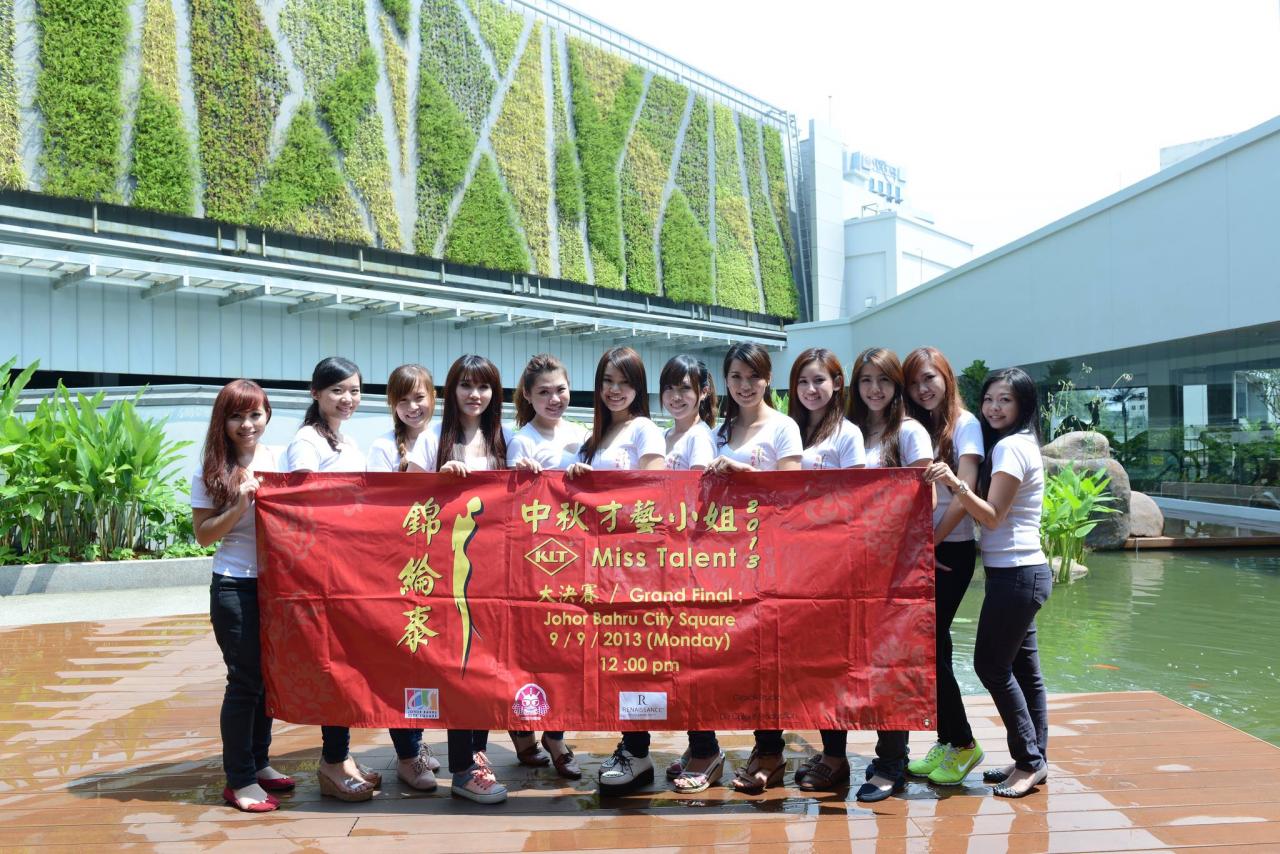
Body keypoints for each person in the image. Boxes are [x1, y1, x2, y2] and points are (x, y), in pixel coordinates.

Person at [924, 367, 1050, 798]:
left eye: (1006, 401)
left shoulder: (1013, 447)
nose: (995, 408)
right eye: (990, 399)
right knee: (1025, 671)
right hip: (1021, 572)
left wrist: (956, 483)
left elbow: (992, 516)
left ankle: (1029, 762)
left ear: (1023, 406)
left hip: (1016, 574)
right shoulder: (1019, 443)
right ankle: (1034, 759)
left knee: (991, 667)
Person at [407, 354, 511, 804]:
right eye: (466, 386)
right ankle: (463, 769)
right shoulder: (432, 440)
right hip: (446, 576)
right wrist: (435, 478)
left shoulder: (502, 439)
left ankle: (477, 753)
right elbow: (405, 500)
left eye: (483, 386)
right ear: (452, 391)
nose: (475, 395)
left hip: (496, 576)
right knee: (457, 669)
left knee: (486, 664)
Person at [564, 348, 666, 794]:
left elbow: (655, 492)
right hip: (599, 567)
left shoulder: (644, 429)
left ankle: (638, 753)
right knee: (616, 661)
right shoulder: (598, 436)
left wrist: (602, 492)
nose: (613, 389)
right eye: (607, 379)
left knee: (638, 659)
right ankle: (630, 747)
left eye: (623, 381)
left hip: (636, 566)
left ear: (638, 387)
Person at [284, 356, 383, 802]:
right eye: (338, 391)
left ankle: (341, 755)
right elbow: (303, 503)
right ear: (316, 393)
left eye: (355, 391)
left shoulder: (344, 439)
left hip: (348, 570)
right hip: (323, 574)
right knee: (332, 666)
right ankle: (331, 761)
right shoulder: (307, 441)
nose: (348, 399)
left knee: (347, 664)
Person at [705, 343, 802, 794]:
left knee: (769, 659)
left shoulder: (784, 428)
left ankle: (771, 750)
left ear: (767, 379)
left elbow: (792, 492)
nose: (745, 385)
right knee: (733, 657)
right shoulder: (716, 432)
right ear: (725, 380)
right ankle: (720, 746)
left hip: (772, 559)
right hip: (725, 559)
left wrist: (744, 472)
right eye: (736, 376)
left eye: (754, 377)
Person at [192, 380, 292, 813]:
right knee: (245, 679)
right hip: (234, 582)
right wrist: (239, 504)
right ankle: (240, 780)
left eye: (255, 414)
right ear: (224, 420)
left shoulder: (280, 459)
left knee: (268, 676)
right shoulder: (210, 469)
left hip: (277, 585)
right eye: (237, 416)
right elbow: (202, 536)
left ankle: (260, 761)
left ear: (267, 415)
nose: (247, 424)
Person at [845, 346, 935, 803]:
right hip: (844, 568)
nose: (874, 389)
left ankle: (891, 762)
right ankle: (836, 756)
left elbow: (924, 505)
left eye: (883, 380)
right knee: (844, 661)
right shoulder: (846, 432)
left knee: (891, 665)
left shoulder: (911, 432)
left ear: (897, 386)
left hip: (895, 569)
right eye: (865, 380)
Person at [782, 348, 866, 793]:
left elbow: (857, 500)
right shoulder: (789, 430)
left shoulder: (847, 434)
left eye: (819, 381)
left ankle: (836, 756)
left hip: (831, 565)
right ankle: (816, 748)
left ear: (836, 384)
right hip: (788, 562)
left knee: (832, 663)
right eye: (802, 382)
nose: (811, 390)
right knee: (795, 661)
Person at [902, 347, 985, 786]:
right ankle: (949, 738)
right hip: (924, 551)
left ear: (947, 378)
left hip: (950, 551)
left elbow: (966, 493)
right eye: (915, 382)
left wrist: (929, 544)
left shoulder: (965, 425)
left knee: (933, 646)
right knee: (934, 649)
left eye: (930, 378)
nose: (923, 389)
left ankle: (965, 742)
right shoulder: (919, 427)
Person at [363, 364, 445, 794]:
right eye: (404, 399)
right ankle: (407, 753)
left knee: (436, 660)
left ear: (434, 397)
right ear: (392, 404)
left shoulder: (446, 440)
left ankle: (420, 739)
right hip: (401, 571)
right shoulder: (381, 448)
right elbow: (378, 509)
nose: (414, 407)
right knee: (405, 659)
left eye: (421, 397)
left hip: (445, 571)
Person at [503, 353, 585, 780]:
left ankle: (555, 734)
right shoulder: (521, 441)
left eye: (561, 389)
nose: (555, 399)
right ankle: (522, 730)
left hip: (573, 562)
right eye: (544, 392)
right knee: (526, 650)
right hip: (530, 564)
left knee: (564, 651)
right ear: (528, 397)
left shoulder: (583, 434)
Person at [656, 355, 724, 794]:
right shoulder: (666, 436)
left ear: (702, 392)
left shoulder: (700, 439)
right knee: (676, 659)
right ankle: (697, 743)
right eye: (670, 389)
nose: (677, 396)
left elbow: (693, 504)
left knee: (694, 659)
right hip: (666, 561)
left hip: (691, 563)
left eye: (686, 388)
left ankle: (707, 750)